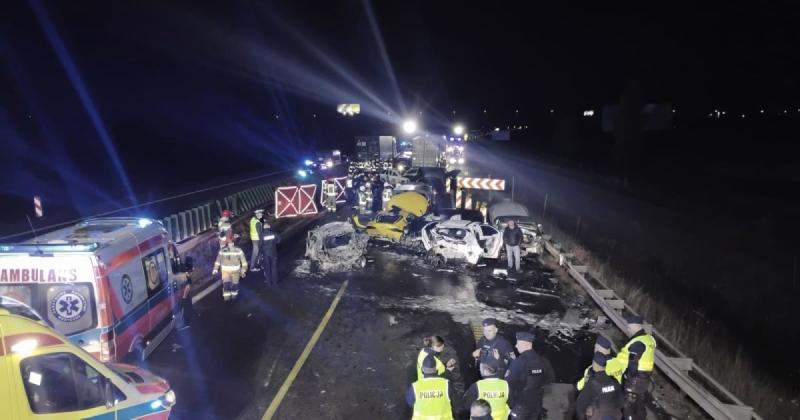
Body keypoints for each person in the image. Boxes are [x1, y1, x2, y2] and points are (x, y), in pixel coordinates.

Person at [605, 313, 656, 420]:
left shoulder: (637, 343)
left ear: (634, 326)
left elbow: (633, 363)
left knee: (628, 407)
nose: (627, 328)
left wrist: (628, 376)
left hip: (634, 381)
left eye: (629, 326)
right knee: (639, 406)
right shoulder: (649, 339)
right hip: (644, 379)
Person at [505, 331, 554, 419]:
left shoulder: (519, 362)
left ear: (523, 344)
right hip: (536, 404)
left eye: (517, 343)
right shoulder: (544, 361)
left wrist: (510, 404)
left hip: (520, 405)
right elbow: (549, 380)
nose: (516, 346)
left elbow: (508, 383)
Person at [575, 353, 624, 420]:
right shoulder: (614, 381)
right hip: (613, 415)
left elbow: (581, 404)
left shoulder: (592, 383)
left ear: (594, 364)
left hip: (597, 416)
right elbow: (621, 400)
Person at [406, 355, 455, 420]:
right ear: (436, 369)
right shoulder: (446, 384)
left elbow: (410, 402)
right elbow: (455, 402)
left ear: (422, 369)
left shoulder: (415, 387)